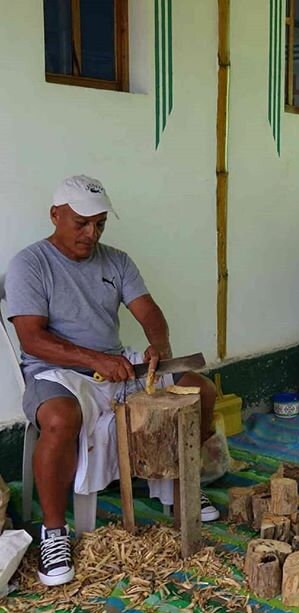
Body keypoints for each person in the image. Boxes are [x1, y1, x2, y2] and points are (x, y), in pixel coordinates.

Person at [5, 175, 219, 588]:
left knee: (199, 391)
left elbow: (149, 312)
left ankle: (182, 487)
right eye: (81, 223)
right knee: (60, 419)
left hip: (118, 367)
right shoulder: (29, 264)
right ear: (55, 215)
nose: (91, 233)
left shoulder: (116, 261)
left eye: (99, 224)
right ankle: (53, 532)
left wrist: (158, 349)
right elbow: (32, 338)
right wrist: (95, 358)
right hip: (56, 373)